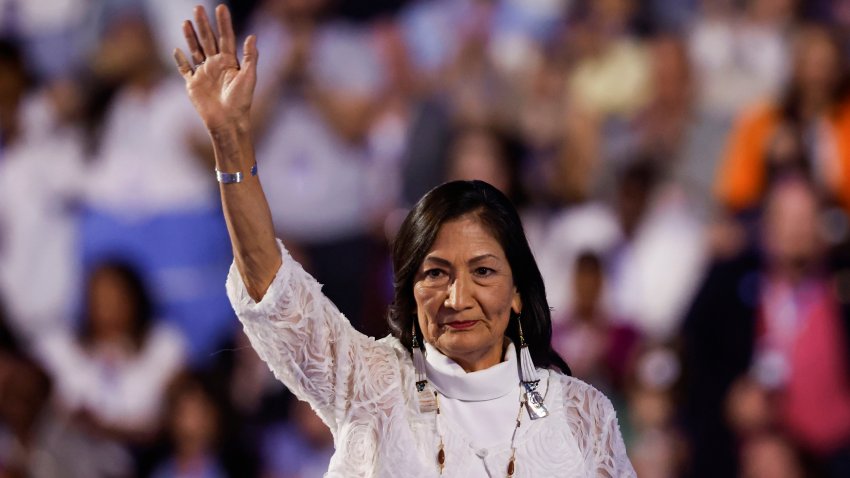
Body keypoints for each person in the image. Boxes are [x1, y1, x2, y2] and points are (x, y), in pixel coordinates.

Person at [173, 5, 635, 476]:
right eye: (436, 272)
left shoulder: (581, 414)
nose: (457, 297)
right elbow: (271, 285)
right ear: (410, 291)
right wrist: (230, 141)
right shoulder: (372, 385)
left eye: (482, 271)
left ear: (517, 291)